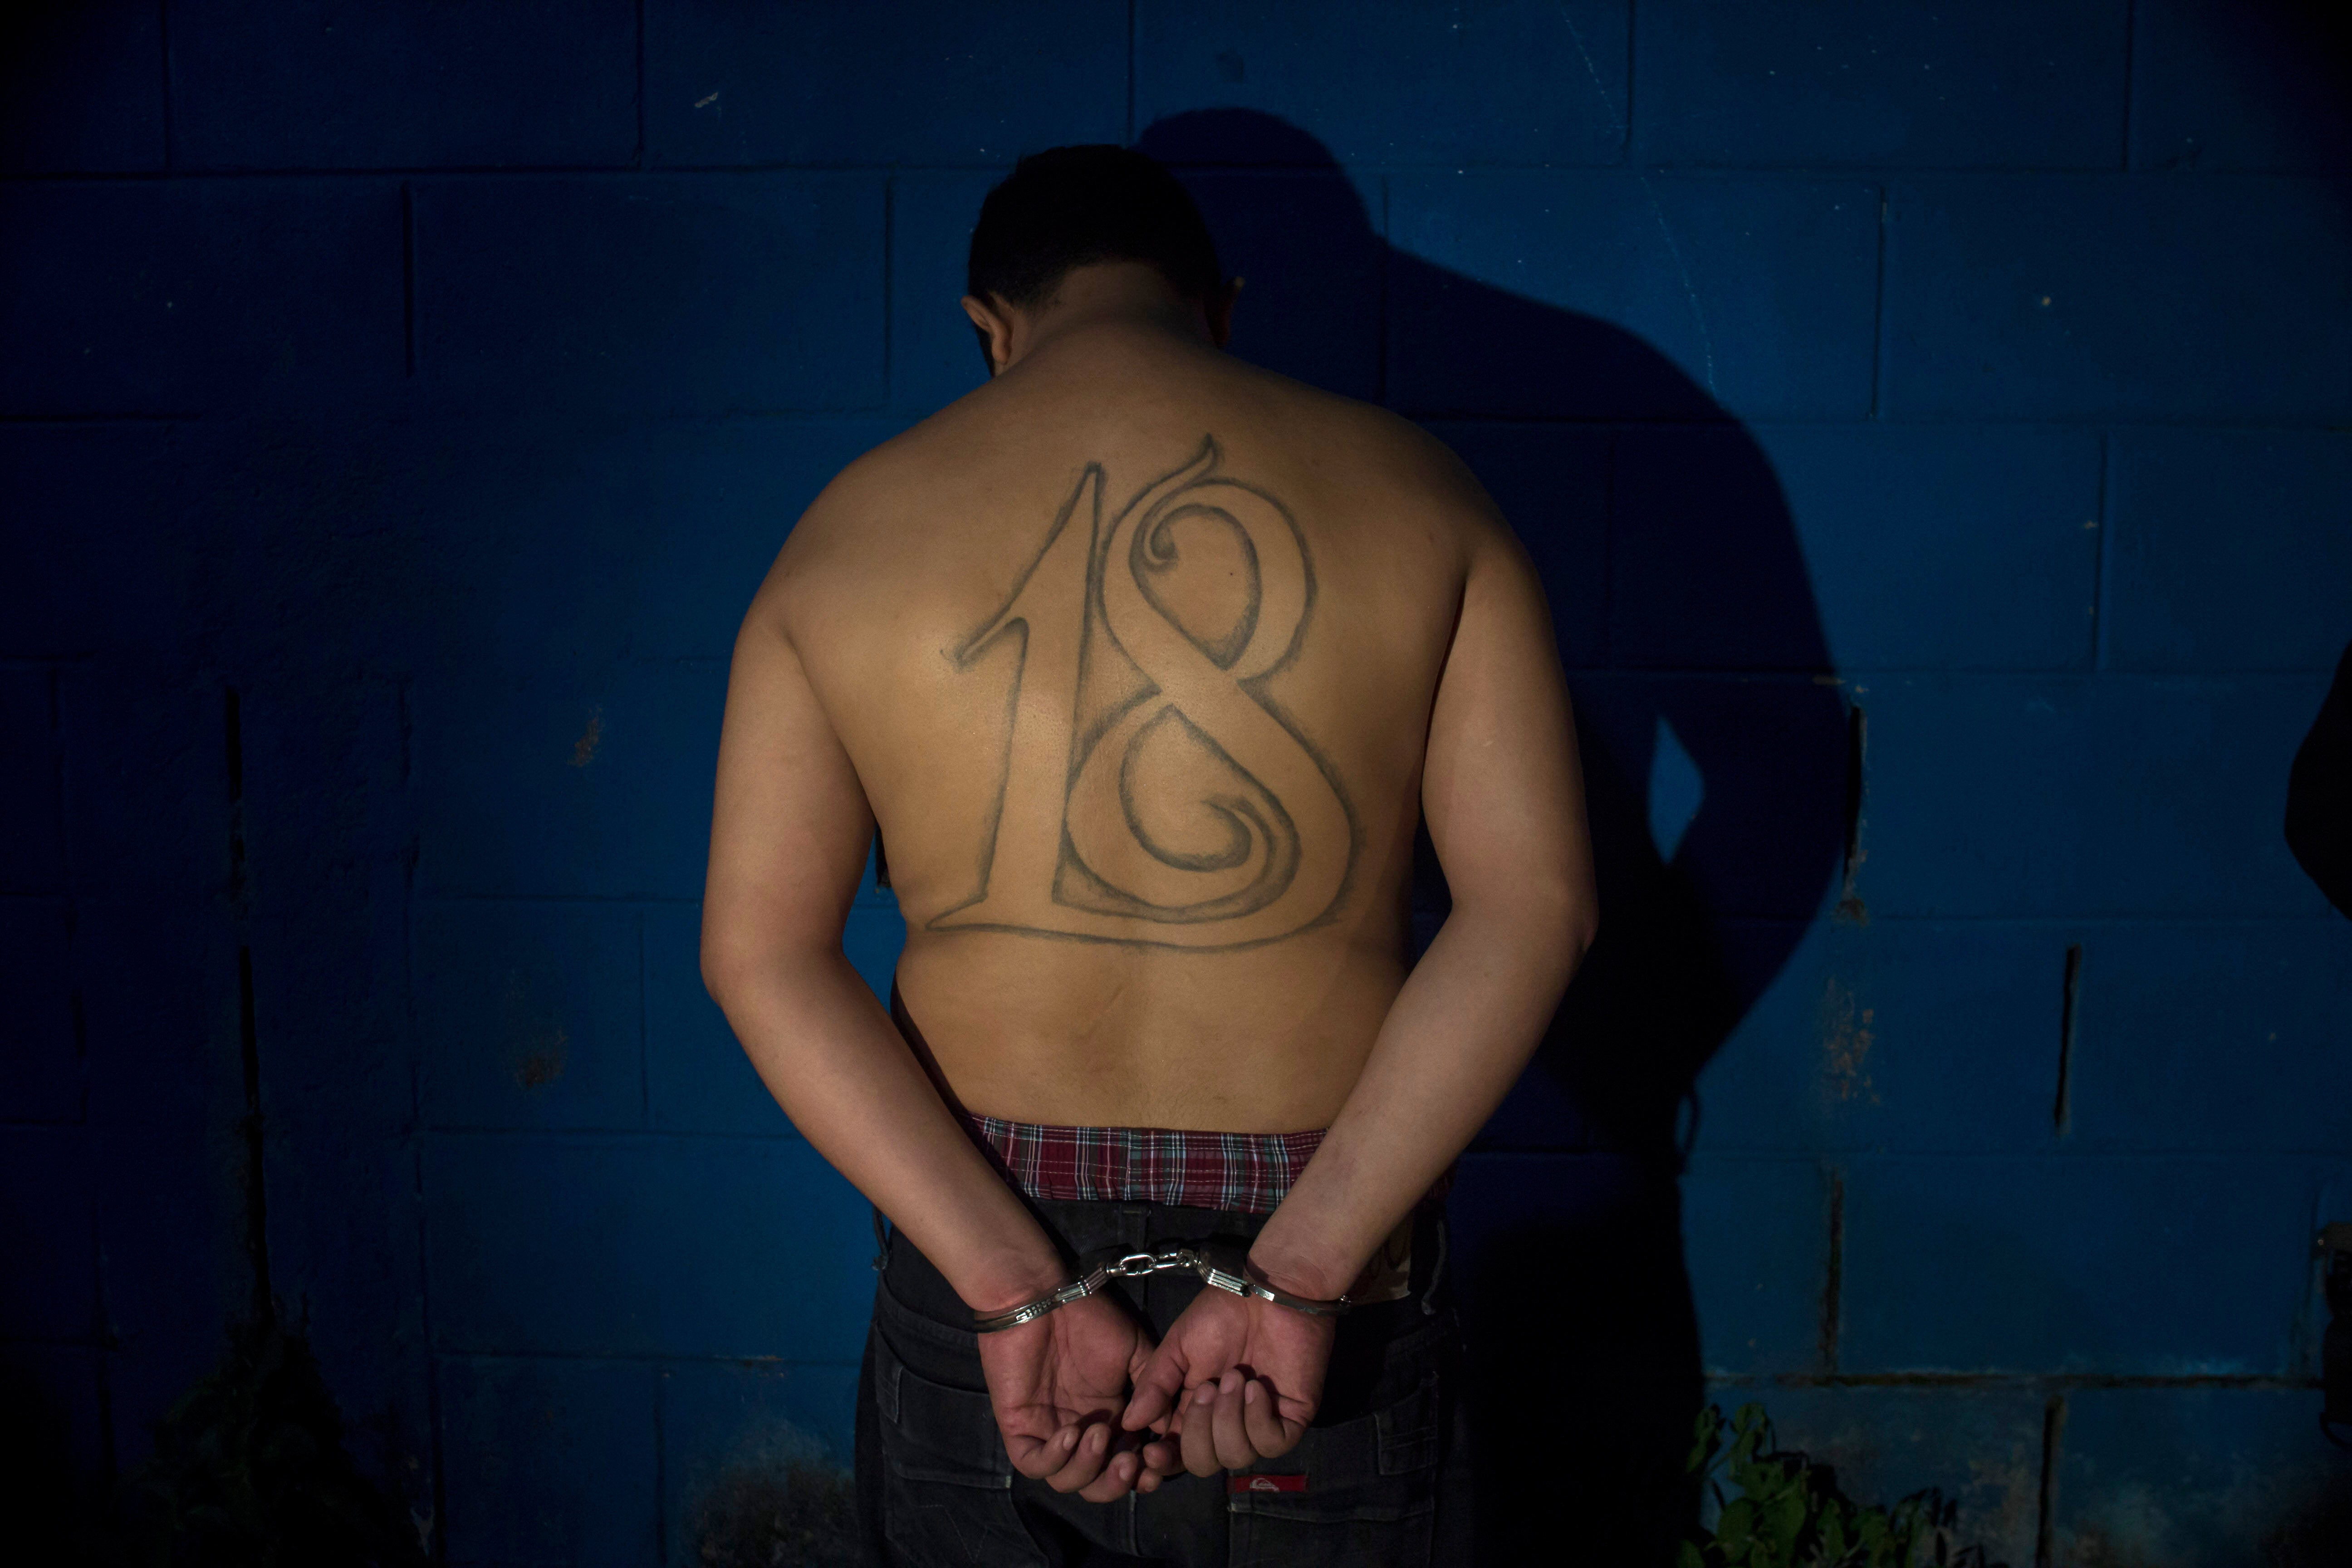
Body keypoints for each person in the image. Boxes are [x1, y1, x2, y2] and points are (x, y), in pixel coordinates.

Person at [701, 144, 1596, 1566]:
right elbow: (1534, 908)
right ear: (1217, 307)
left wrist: (1011, 1284)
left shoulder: (843, 538)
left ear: (987, 325)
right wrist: (1305, 1268)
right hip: (1329, 1226)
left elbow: (760, 954)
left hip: (982, 1227)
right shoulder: (1427, 499)